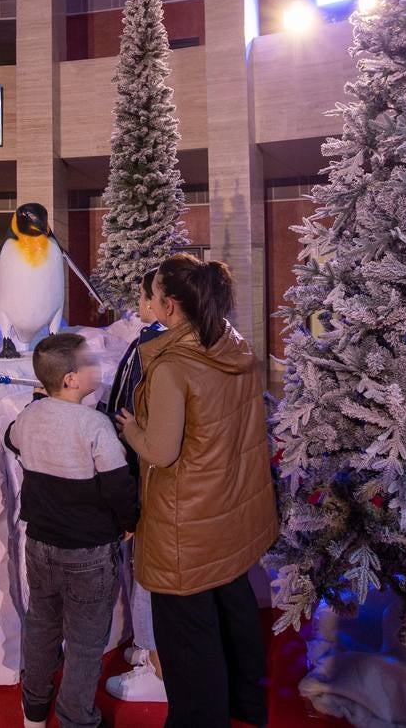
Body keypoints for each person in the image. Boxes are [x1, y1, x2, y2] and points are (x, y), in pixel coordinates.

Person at [117, 254, 278, 727]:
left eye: (153, 296)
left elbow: (161, 451)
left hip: (185, 523)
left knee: (188, 636)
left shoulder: (173, 367)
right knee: (231, 608)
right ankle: (244, 705)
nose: (150, 303)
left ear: (168, 306)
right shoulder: (234, 346)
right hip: (229, 512)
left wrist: (131, 429)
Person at [5, 332, 139, 728]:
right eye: (89, 363)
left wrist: (38, 407)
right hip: (89, 553)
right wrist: (129, 522)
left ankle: (34, 710)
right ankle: (77, 718)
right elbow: (118, 486)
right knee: (84, 641)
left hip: (40, 545)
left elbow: (12, 439)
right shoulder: (95, 425)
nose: (97, 368)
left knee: (42, 626)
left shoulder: (30, 416)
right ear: (70, 379)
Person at [101, 268, 167, 703]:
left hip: (148, 473)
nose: (140, 304)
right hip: (159, 474)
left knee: (147, 569)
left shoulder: (154, 346)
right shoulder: (207, 340)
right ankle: (152, 650)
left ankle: (158, 668)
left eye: (145, 296)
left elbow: (132, 413)